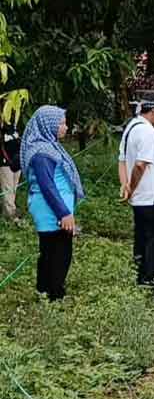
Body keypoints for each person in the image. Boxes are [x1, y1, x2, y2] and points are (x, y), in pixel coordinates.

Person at [20, 106, 84, 300]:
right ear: (49, 125)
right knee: (57, 254)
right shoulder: (41, 153)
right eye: (62, 123)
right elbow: (48, 187)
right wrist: (63, 213)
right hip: (52, 212)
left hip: (54, 210)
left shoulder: (48, 147)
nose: (65, 127)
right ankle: (54, 295)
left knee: (50, 252)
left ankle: (44, 290)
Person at [118, 103, 154, 294]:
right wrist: (131, 187)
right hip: (153, 196)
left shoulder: (131, 127)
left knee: (142, 238)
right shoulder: (147, 132)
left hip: (142, 198)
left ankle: (142, 277)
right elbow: (140, 165)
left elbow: (122, 160)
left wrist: (124, 186)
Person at [0, 116, 21, 220]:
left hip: (17, 161)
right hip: (5, 162)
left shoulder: (14, 125)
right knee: (8, 189)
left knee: (14, 188)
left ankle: (8, 213)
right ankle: (12, 217)